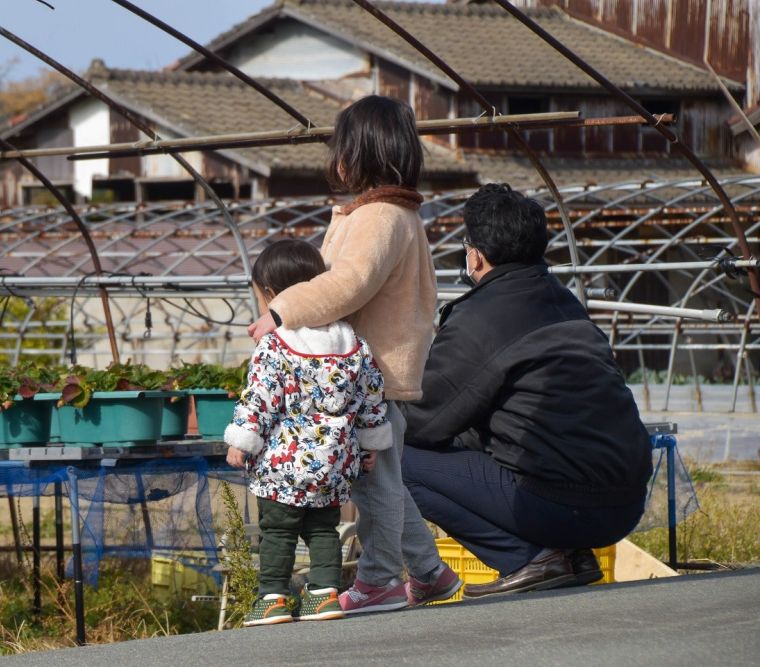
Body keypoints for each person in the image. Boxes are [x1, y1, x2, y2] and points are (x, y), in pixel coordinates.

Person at [248, 95, 460, 614]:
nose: (336, 160)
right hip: (363, 374)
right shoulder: (375, 213)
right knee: (380, 481)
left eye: (342, 148)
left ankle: (381, 580)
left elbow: (348, 282)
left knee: (374, 487)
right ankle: (430, 574)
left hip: (373, 377)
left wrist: (283, 310)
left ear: (360, 154)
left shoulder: (381, 215)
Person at [401, 183, 653, 599]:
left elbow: (423, 422)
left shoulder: (479, 318)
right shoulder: (565, 303)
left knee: (398, 457)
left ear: (476, 254)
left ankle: (529, 558)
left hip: (564, 504)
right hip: (626, 502)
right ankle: (569, 557)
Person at [225, 239, 393, 626]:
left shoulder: (276, 345)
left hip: (284, 466)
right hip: (334, 464)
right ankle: (324, 596)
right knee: (323, 530)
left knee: (278, 531)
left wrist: (241, 440)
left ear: (270, 293)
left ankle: (273, 598)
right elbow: (371, 398)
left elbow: (261, 399)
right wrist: (372, 444)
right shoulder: (353, 343)